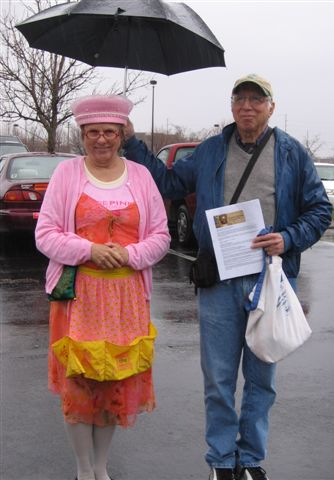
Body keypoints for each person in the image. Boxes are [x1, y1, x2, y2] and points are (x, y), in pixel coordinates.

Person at [122, 74, 332, 480]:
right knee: (218, 379)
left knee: (261, 378)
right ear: (231, 106)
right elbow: (166, 181)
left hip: (268, 280)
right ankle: (221, 460)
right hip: (218, 280)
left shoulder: (291, 153)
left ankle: (250, 458)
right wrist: (131, 142)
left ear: (271, 106)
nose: (248, 106)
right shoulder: (211, 149)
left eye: (257, 99)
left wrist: (288, 238)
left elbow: (319, 210)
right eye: (241, 99)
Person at [35, 94, 171, 480]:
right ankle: (82, 468)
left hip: (126, 300)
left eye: (109, 132)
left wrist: (130, 256)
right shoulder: (67, 175)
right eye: (93, 132)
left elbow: (161, 236)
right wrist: (89, 248)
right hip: (78, 297)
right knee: (80, 382)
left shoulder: (142, 177)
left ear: (121, 133)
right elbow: (45, 235)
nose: (101, 140)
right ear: (82, 134)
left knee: (115, 380)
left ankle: (101, 466)